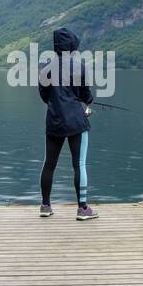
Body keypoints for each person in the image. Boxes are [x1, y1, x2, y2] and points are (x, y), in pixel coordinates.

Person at [38, 27, 97, 221]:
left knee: (49, 164)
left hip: (54, 121)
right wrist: (87, 102)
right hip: (76, 123)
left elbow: (45, 97)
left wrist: (58, 105)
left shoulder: (45, 69)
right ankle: (82, 209)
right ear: (71, 45)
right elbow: (85, 94)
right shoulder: (79, 66)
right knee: (79, 164)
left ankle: (45, 206)